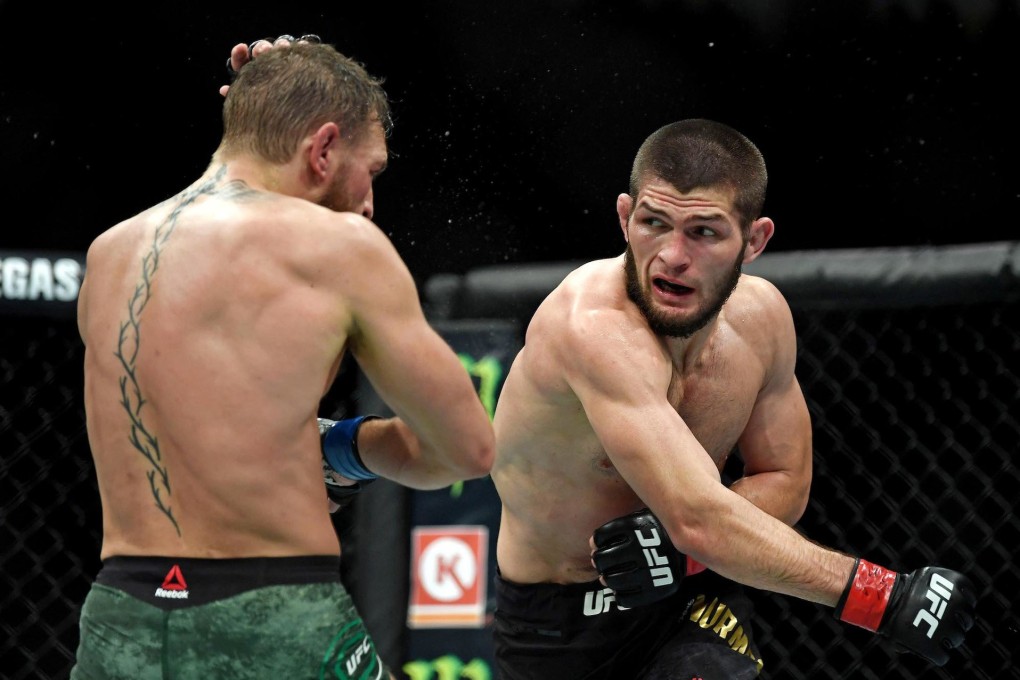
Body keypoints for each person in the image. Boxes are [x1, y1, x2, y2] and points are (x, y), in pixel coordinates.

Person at [488, 118, 975, 679]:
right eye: (654, 223)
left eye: (704, 232)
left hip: (689, 603)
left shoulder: (762, 321)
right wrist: (882, 598)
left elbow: (785, 481)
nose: (672, 255)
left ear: (754, 241)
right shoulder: (591, 327)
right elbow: (697, 517)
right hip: (557, 625)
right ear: (625, 219)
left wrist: (681, 556)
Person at [71, 39, 495, 680]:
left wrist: (275, 86)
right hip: (273, 614)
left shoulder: (107, 255)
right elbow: (468, 450)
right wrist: (342, 450)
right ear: (323, 150)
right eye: (371, 171)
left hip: (120, 622)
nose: (370, 201)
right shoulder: (341, 247)